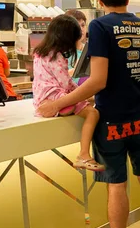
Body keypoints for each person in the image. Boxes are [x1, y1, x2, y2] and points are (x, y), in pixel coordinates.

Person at [38, 0, 140, 228]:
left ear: (99, 0)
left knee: (116, 185)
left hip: (111, 121)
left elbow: (97, 81)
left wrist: (56, 104)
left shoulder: (99, 25)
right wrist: (137, 94)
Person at [32, 15, 102, 172]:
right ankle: (84, 154)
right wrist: (82, 93)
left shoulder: (39, 52)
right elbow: (65, 83)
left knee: (87, 104)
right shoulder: (57, 57)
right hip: (56, 98)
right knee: (93, 113)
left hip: (42, 98)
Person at [65, 9, 88, 84]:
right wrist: (76, 70)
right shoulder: (62, 52)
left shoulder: (89, 49)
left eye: (83, 25)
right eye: (76, 26)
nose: (80, 29)